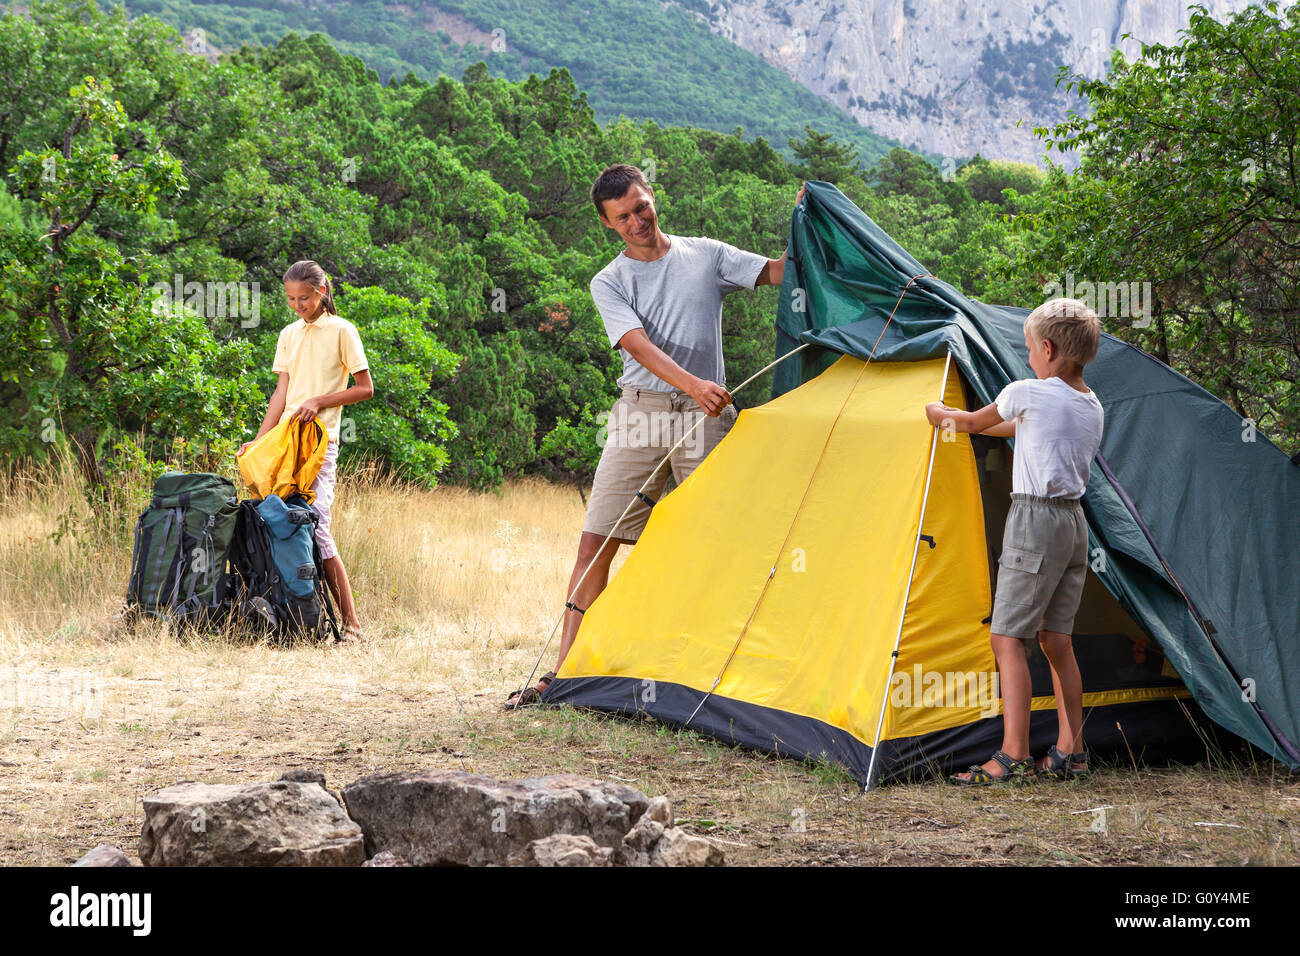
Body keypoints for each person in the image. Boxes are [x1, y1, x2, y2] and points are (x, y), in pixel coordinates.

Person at [506, 164, 804, 708]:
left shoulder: (706, 254)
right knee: (597, 540)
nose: (638, 221)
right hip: (639, 414)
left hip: (706, 417)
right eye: (623, 217)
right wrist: (693, 383)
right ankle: (561, 673)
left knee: (720, 543)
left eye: (641, 207)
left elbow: (782, 273)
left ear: (652, 197)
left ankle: (722, 678)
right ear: (608, 224)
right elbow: (636, 345)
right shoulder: (609, 280)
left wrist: (803, 217)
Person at [923, 297, 1104, 783]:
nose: (1027, 359)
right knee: (1056, 640)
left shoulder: (1028, 390)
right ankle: (1072, 751)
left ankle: (1012, 755)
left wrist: (937, 410)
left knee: (1007, 638)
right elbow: (1018, 429)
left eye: (1029, 349)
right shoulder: (1090, 405)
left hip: (1035, 523)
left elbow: (973, 423)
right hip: (1073, 524)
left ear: (1046, 349)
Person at [237, 260, 374, 642]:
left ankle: (352, 626)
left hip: (319, 445)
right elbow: (281, 394)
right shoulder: (288, 334)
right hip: (284, 443)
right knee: (277, 522)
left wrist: (319, 400)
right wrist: (260, 440)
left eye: (305, 298)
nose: (298, 305)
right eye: (291, 299)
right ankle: (292, 614)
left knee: (318, 529)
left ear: (322, 291)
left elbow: (365, 388)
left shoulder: (343, 331)